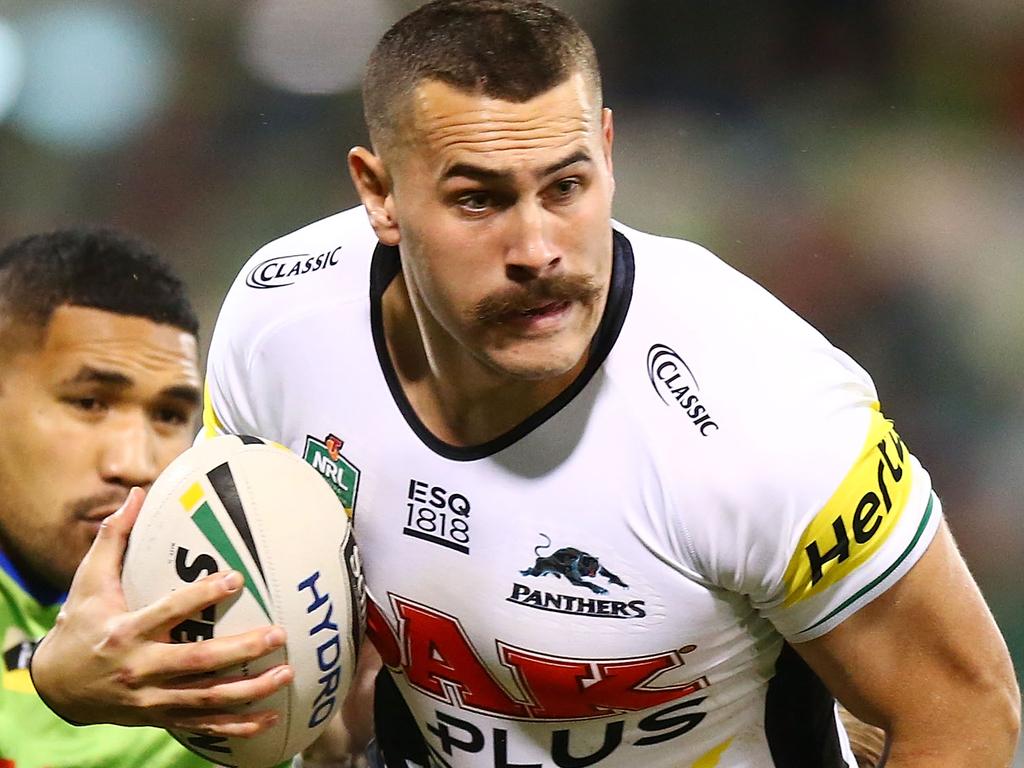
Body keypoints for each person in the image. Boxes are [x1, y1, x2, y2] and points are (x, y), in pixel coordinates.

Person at [30, 2, 1020, 766]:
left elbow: (964, 709)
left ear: (609, 154)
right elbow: (301, 624)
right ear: (378, 194)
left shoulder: (761, 412)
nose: (538, 248)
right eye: (478, 199)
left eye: (567, 185)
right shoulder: (280, 322)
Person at [0, 228, 215, 766]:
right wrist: (58, 695)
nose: (136, 464)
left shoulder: (248, 607)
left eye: (168, 415)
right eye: (91, 402)